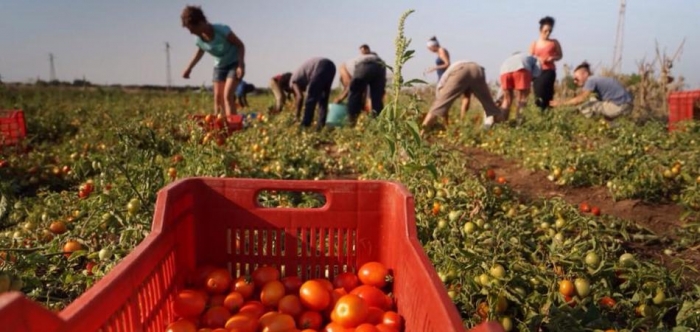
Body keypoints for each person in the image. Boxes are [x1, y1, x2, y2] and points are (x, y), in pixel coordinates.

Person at [181, 5, 245, 117]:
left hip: (234, 63)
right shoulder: (198, 39)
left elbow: (240, 45)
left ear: (200, 22)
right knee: (218, 98)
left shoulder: (222, 30)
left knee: (227, 96)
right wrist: (189, 68)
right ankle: (218, 127)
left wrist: (240, 65)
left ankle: (233, 127)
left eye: (191, 29)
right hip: (219, 66)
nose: (191, 32)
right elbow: (200, 52)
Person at [420, 61, 505, 134]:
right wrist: (460, 119)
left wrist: (446, 124)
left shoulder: (439, 89)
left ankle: (421, 134)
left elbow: (443, 108)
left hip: (461, 69)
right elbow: (466, 99)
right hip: (477, 68)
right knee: (490, 106)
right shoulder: (461, 83)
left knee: (437, 106)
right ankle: (503, 130)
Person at [550, 61, 633, 119]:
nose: (575, 81)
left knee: (587, 105)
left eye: (576, 78)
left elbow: (580, 99)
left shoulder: (591, 80)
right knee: (593, 100)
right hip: (626, 105)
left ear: (585, 74)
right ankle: (611, 125)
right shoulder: (596, 79)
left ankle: (589, 125)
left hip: (620, 106)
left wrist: (561, 104)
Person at [334, 51, 386, 125]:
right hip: (381, 66)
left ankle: (351, 122)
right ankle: (378, 123)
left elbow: (350, 86)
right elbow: (367, 91)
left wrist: (340, 98)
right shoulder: (372, 59)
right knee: (377, 97)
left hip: (365, 64)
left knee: (354, 94)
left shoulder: (342, 67)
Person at [425, 36, 471, 121]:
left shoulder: (441, 50)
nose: (429, 50)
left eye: (429, 48)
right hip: (441, 76)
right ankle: (448, 123)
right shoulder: (439, 52)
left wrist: (435, 68)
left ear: (433, 46)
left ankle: (450, 123)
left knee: (443, 101)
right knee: (443, 101)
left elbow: (447, 64)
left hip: (445, 77)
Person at [290, 57, 337, 130]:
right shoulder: (300, 77)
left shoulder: (292, 82)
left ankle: (305, 126)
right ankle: (320, 126)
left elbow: (300, 97)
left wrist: (297, 115)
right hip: (331, 66)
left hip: (321, 66)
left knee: (311, 98)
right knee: (323, 99)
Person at [530, 16, 563, 111]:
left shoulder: (554, 42)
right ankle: (539, 112)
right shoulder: (534, 43)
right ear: (540, 30)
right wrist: (538, 59)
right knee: (538, 93)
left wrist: (553, 58)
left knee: (547, 93)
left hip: (549, 71)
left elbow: (560, 55)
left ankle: (548, 111)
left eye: (550, 31)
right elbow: (530, 57)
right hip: (537, 72)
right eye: (546, 31)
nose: (548, 33)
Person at [499, 52, 541, 120]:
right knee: (522, 99)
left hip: (504, 71)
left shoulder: (509, 59)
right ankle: (519, 124)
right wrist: (530, 79)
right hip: (521, 69)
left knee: (506, 100)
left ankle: (503, 124)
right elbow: (537, 71)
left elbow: (501, 87)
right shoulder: (532, 58)